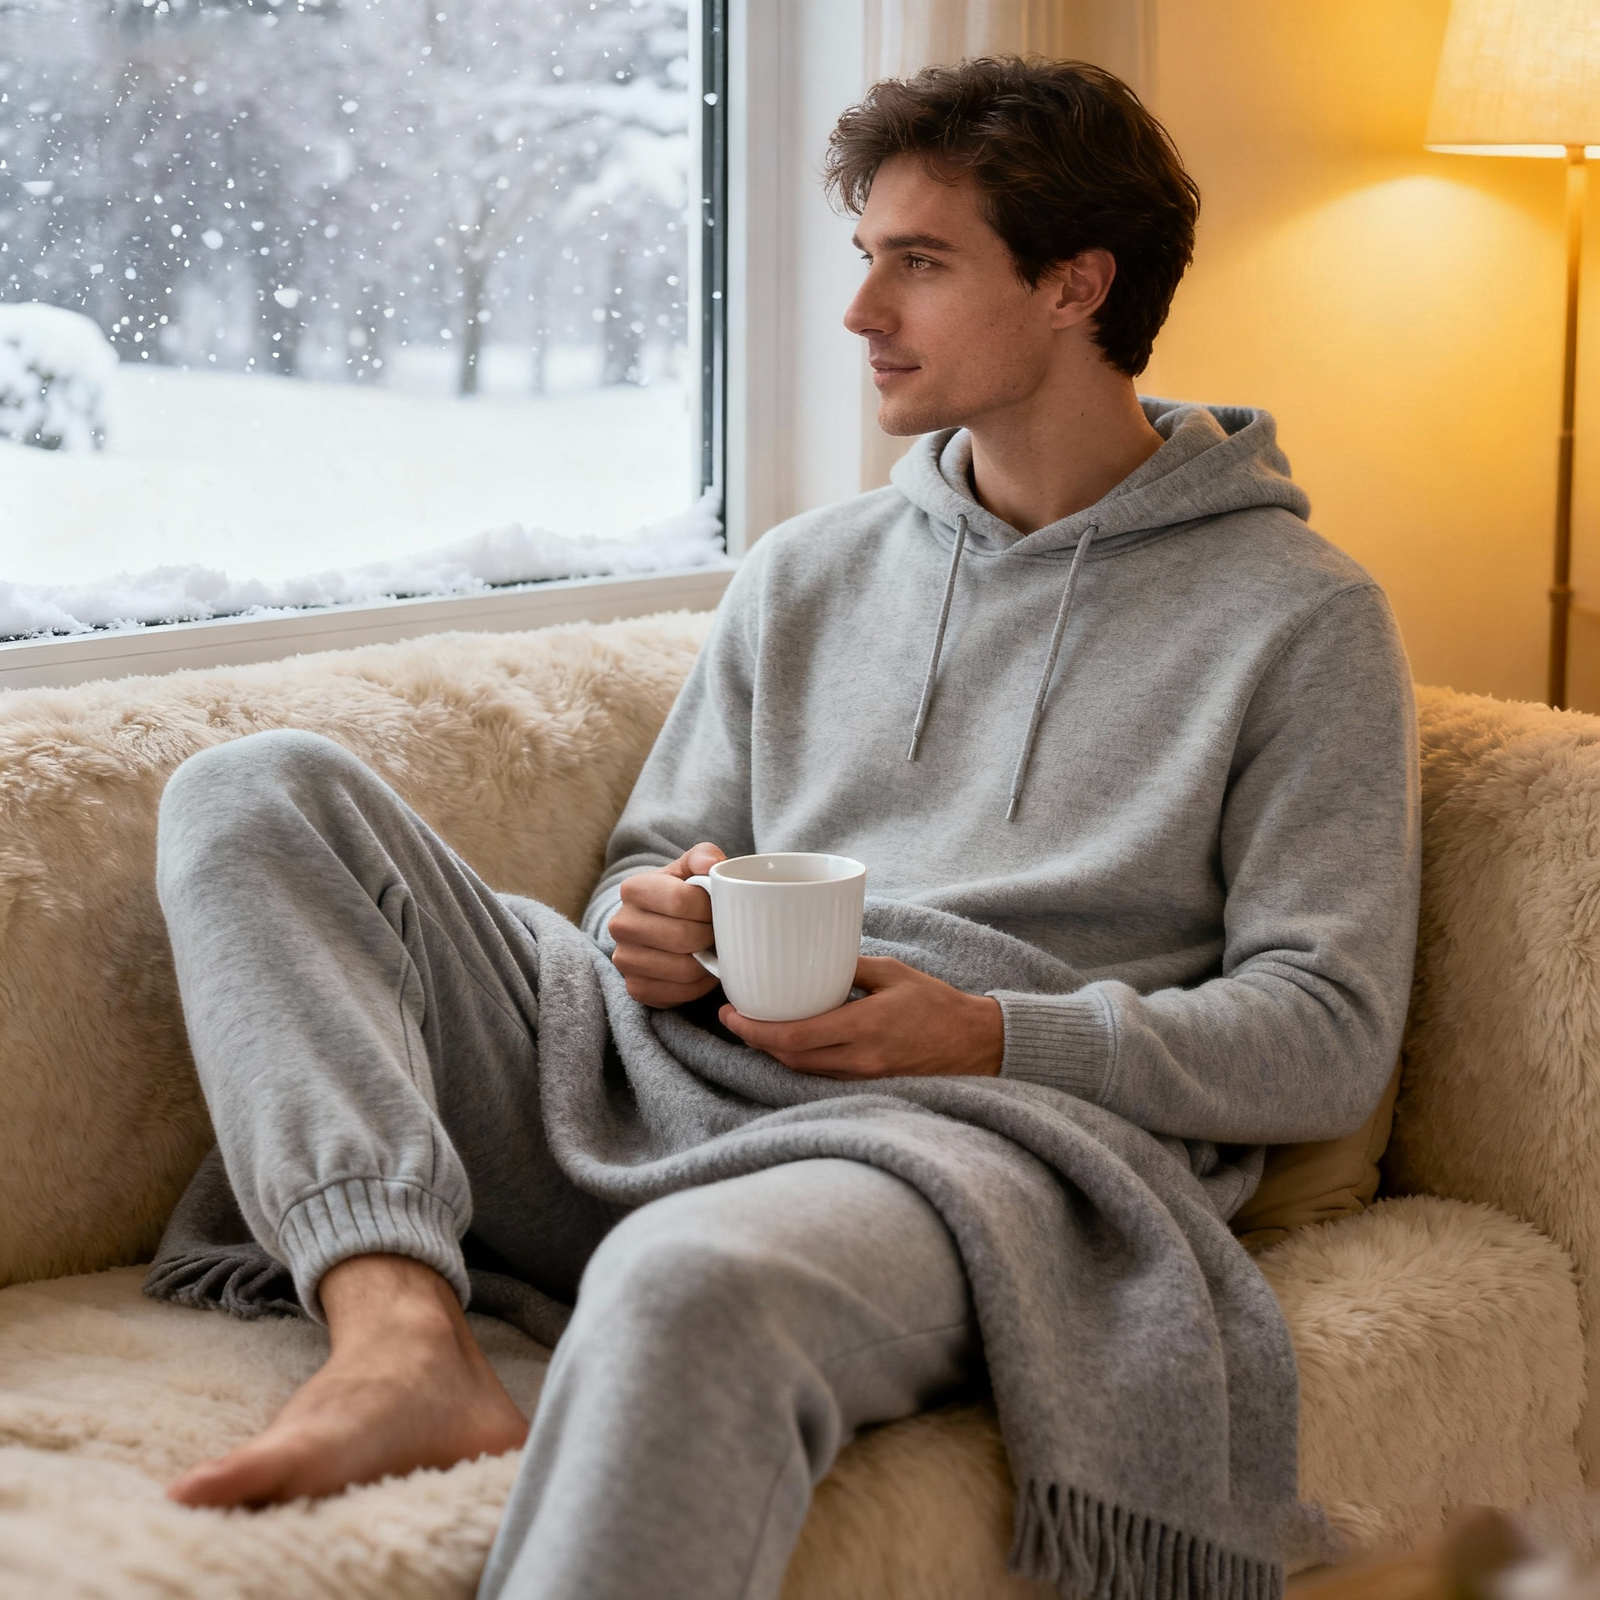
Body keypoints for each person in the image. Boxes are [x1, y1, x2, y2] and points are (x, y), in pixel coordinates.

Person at [147, 55, 1418, 1600]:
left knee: (691, 1288)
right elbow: (652, 850)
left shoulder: (1303, 621)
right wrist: (654, 915)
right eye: (866, 256)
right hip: (660, 1066)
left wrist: (991, 1036)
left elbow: (1328, 1031)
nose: (860, 314)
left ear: (1079, 284)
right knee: (254, 787)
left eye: (920, 264)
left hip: (968, 1145)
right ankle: (400, 1329)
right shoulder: (811, 571)